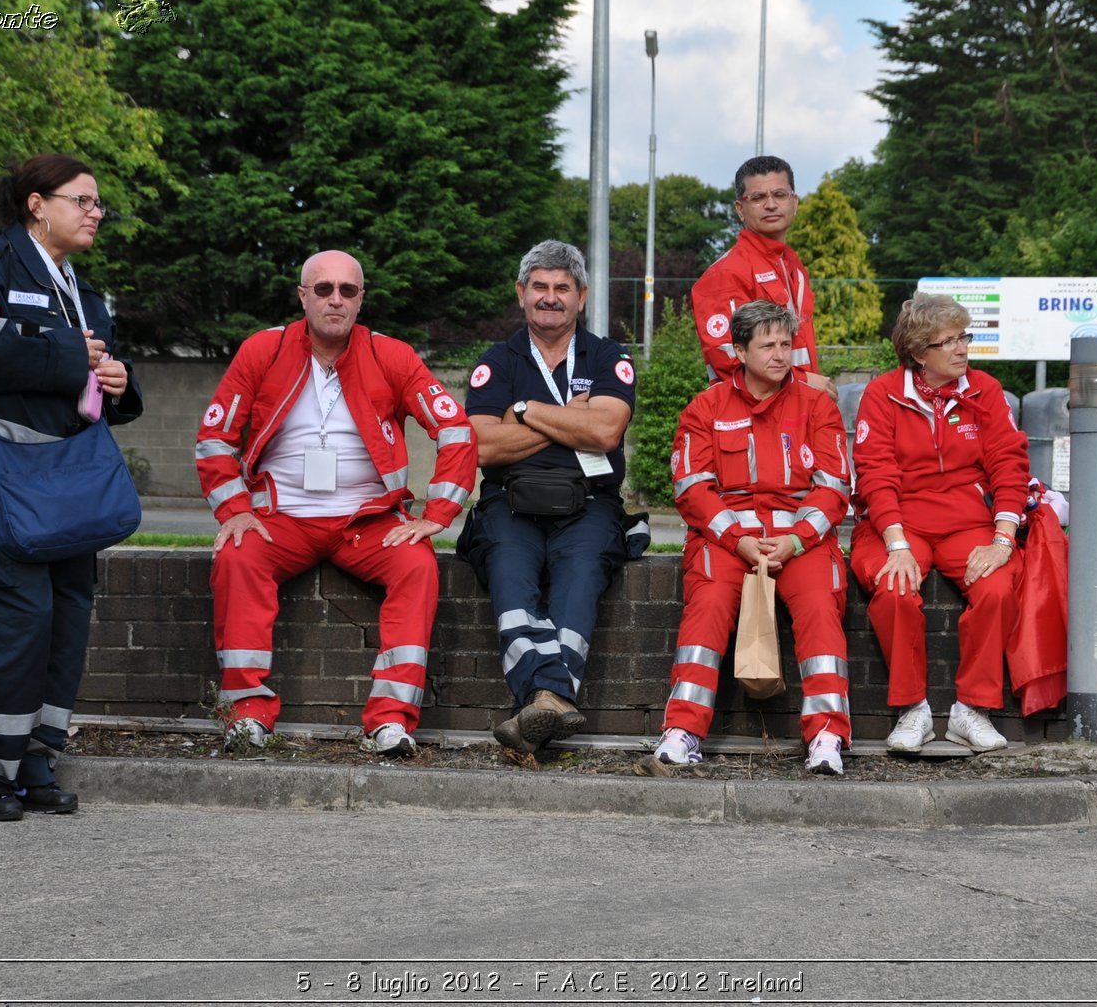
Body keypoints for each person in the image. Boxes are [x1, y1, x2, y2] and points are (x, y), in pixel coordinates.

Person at [0, 153, 142, 821]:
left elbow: (100, 382)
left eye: (98, 202)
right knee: (11, 620)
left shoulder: (85, 290)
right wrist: (73, 355)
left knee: (64, 618)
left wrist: (121, 383)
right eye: (81, 200)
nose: (95, 212)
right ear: (36, 205)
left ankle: (34, 759)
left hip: (60, 488)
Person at [195, 250, 477, 758]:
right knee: (236, 558)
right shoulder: (264, 349)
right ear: (302, 296)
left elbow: (455, 430)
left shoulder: (392, 354)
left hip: (368, 521)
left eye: (347, 291)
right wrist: (234, 509)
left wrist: (436, 516)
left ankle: (390, 720)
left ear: (361, 299)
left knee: (418, 567)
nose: (335, 299)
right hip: (279, 519)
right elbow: (215, 438)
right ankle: (246, 715)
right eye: (323, 289)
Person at [647, 301, 853, 775]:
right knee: (709, 606)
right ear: (740, 350)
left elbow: (834, 484)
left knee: (820, 607)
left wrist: (797, 540)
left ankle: (827, 736)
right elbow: (692, 487)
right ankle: (682, 731)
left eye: (787, 344)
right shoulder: (706, 407)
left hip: (800, 541)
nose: (782, 355)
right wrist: (738, 538)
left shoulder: (817, 405)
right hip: (727, 540)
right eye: (768, 345)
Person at [459, 240, 641, 753]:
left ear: (581, 296)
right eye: (539, 286)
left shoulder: (609, 356)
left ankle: (542, 700)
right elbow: (484, 445)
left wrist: (524, 410)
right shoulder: (496, 361)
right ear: (521, 294)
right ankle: (553, 699)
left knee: (580, 578)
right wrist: (566, 418)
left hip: (589, 504)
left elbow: (605, 431)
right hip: (509, 502)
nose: (550, 297)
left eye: (562, 288)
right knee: (510, 578)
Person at [849, 292, 1032, 754]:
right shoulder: (883, 393)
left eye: (963, 337)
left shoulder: (985, 391)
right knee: (893, 590)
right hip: (897, 522)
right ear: (917, 353)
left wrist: (1003, 540)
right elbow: (875, 472)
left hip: (966, 521)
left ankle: (972, 710)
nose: (961, 349)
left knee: (996, 585)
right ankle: (913, 710)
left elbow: (1010, 466)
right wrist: (895, 542)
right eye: (947, 341)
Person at [690, 155, 836, 400]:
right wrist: (803, 382)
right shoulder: (727, 273)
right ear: (740, 209)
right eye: (758, 197)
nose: (771, 204)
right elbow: (728, 359)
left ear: (794, 202)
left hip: (796, 410)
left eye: (780, 195)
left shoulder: (793, 266)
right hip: (751, 417)